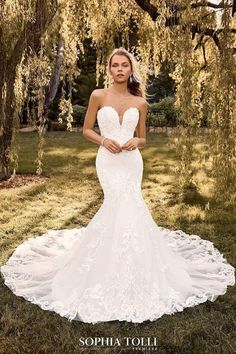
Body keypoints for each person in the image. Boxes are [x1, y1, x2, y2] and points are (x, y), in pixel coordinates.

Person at [0, 47, 235, 325]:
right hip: (108, 161)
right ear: (109, 69)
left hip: (131, 161)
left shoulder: (141, 102)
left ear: (130, 70)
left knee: (132, 207)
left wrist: (137, 142)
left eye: (125, 65)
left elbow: (144, 139)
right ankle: (103, 268)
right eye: (115, 65)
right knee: (117, 204)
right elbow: (86, 129)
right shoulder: (98, 96)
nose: (120, 69)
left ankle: (137, 268)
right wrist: (103, 140)